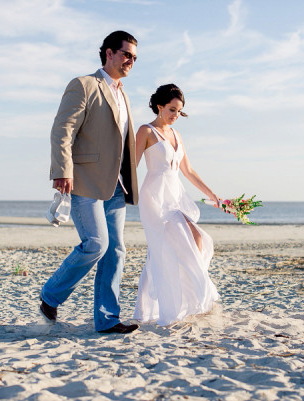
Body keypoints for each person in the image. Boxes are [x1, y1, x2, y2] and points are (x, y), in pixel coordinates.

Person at [39, 31, 140, 334]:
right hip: (84, 179)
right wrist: (62, 170)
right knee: (96, 244)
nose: (131, 61)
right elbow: (62, 129)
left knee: (116, 250)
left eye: (135, 57)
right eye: (126, 55)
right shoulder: (83, 85)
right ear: (109, 53)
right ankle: (50, 295)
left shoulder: (123, 93)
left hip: (117, 185)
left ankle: (107, 320)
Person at [132, 84, 221, 326]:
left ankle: (183, 300)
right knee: (174, 246)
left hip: (176, 195)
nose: (175, 116)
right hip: (156, 198)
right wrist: (122, 194)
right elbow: (131, 166)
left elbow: (188, 170)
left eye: (179, 112)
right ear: (159, 106)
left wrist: (212, 195)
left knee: (196, 241)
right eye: (172, 110)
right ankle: (188, 304)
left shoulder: (176, 135)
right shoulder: (146, 131)